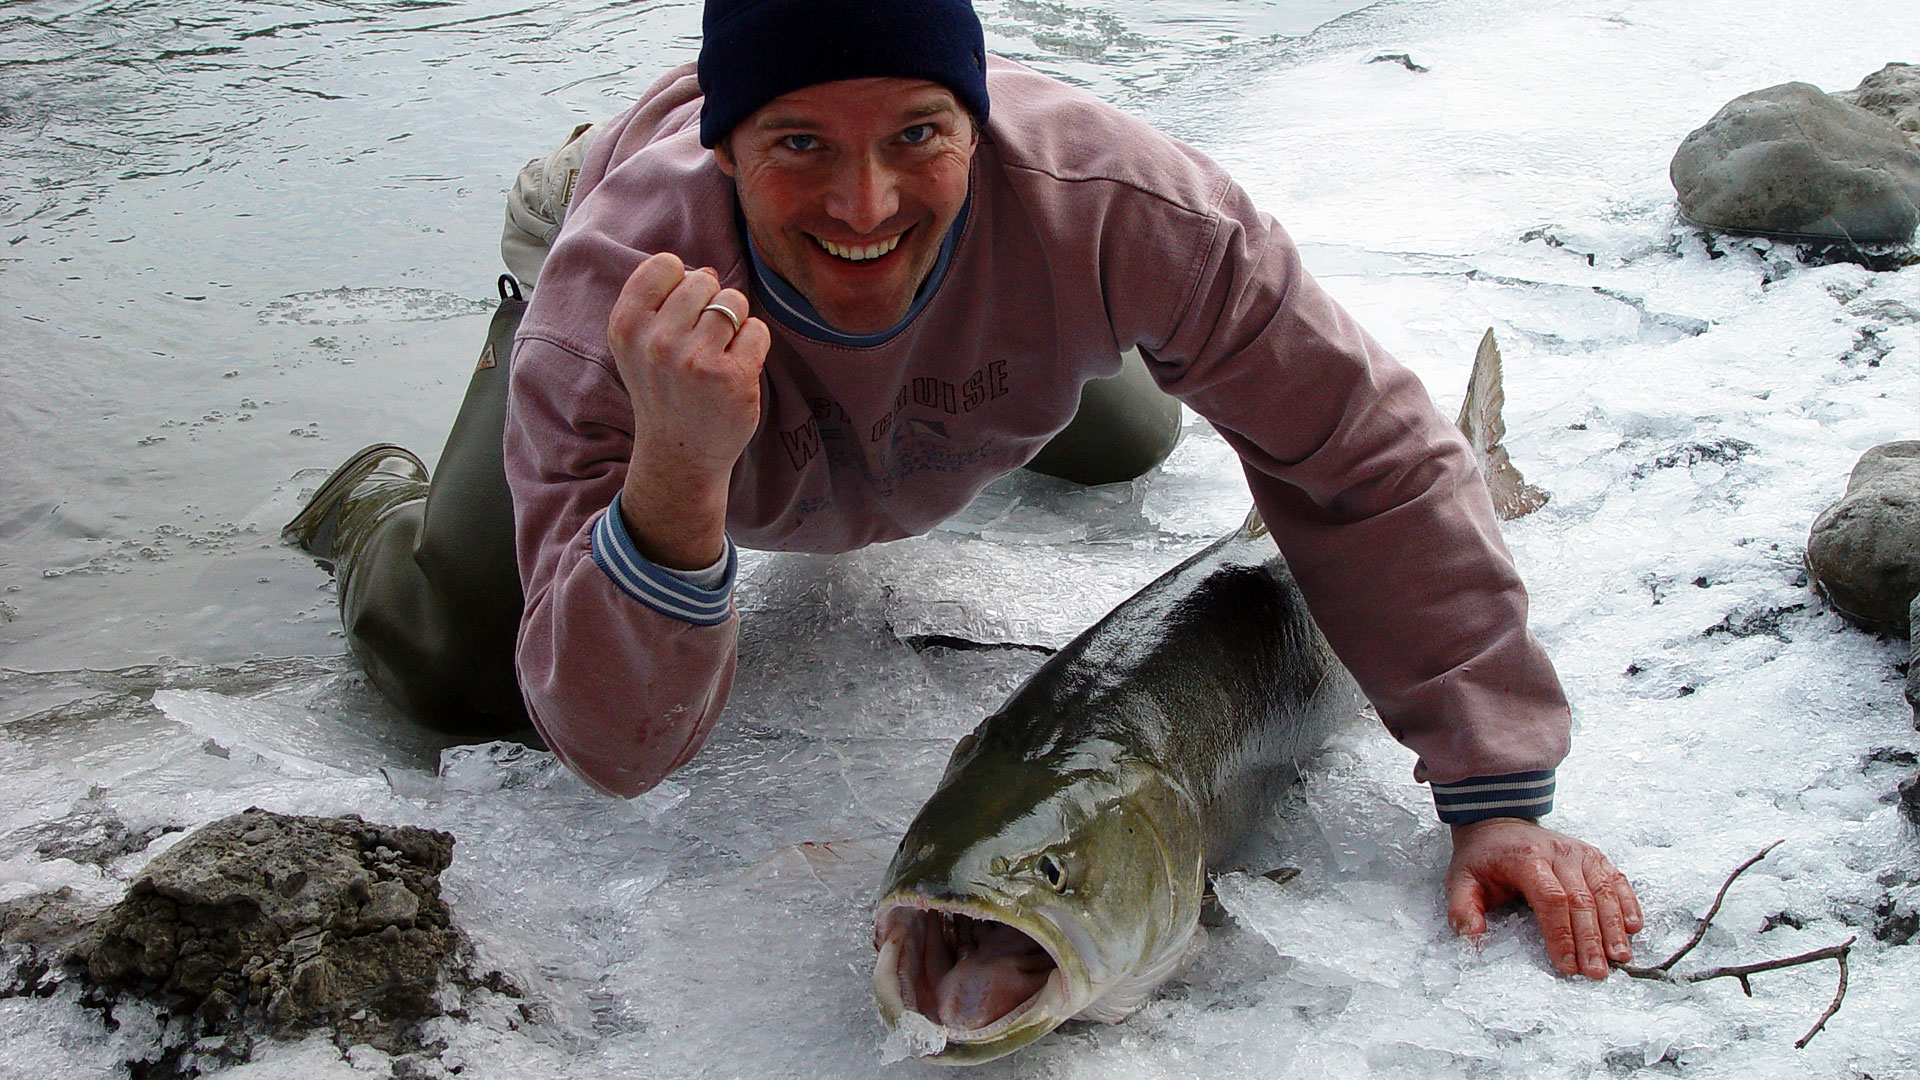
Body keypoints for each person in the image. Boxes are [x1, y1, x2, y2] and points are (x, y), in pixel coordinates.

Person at [286, 0, 1641, 980]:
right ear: (727, 150)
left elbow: (1363, 451)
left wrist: (1496, 787)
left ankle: (917, 239)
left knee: (1122, 443)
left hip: (978, 301)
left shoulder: (1118, 200)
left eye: (918, 134)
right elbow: (616, 741)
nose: (866, 200)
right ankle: (376, 506)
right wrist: (683, 473)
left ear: (979, 125)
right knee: (459, 659)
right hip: (639, 303)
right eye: (799, 144)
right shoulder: (618, 295)